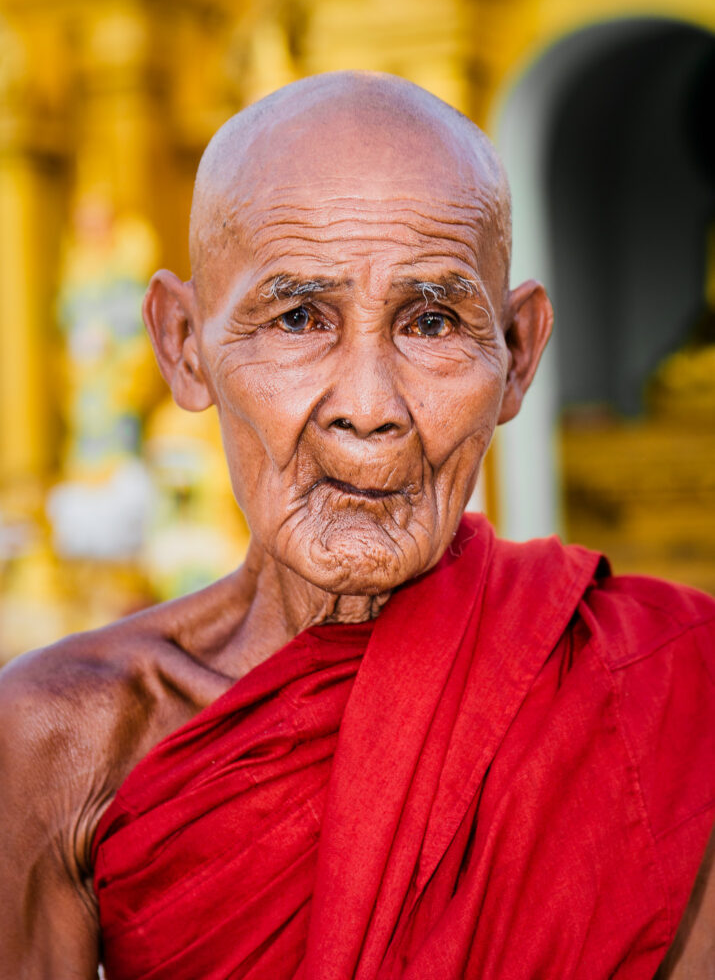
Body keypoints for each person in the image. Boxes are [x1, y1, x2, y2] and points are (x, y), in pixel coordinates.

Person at [0, 71, 713, 980]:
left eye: (430, 320)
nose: (370, 407)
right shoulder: (68, 735)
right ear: (183, 346)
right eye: (298, 318)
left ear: (518, 352)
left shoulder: (665, 690)